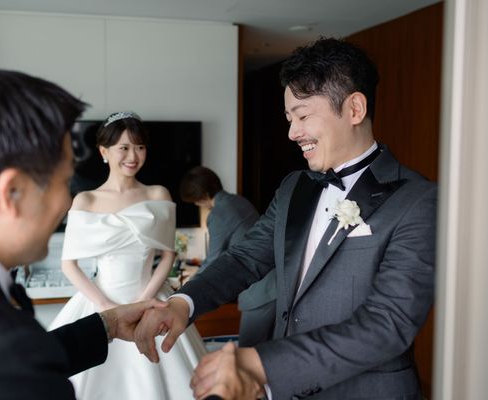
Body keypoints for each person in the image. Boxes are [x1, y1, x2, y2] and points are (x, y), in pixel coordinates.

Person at [135, 37, 437, 400]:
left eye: (303, 116)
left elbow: (388, 324)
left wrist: (261, 364)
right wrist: (183, 303)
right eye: (289, 119)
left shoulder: (418, 200)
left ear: (355, 109)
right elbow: (245, 258)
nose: (293, 133)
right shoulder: (295, 187)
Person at [0, 70, 173, 400]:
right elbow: (12, 364)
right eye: (64, 181)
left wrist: (106, 325)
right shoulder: (5, 359)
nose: (66, 202)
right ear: (11, 192)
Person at [49, 111, 207, 400]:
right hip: (100, 300)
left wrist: (144, 302)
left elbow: (168, 256)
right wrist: (106, 308)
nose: (133, 156)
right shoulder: (85, 200)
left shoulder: (158, 195)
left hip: (149, 295)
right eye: (124, 147)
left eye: (140, 147)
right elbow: (69, 265)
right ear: (104, 151)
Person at [180, 166, 275, 347]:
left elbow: (213, 259)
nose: (198, 205)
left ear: (203, 195)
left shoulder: (218, 214)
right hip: (274, 280)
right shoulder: (238, 200)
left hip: (259, 291)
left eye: (196, 201)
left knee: (248, 348)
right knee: (269, 347)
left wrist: (189, 285)